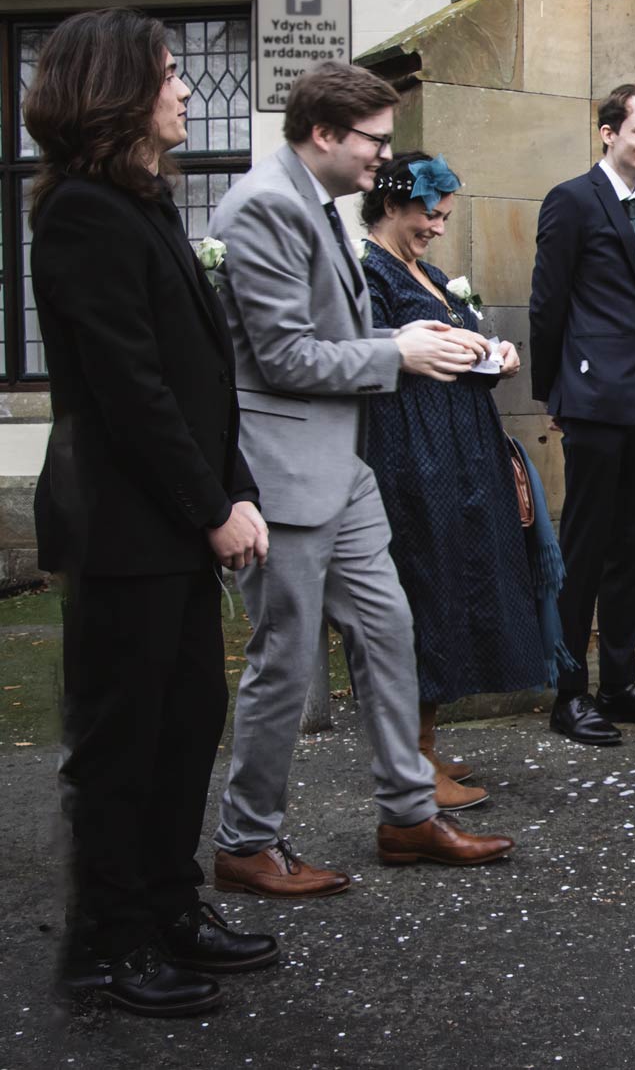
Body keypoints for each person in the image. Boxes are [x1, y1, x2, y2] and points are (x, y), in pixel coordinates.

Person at [209, 61, 516, 895]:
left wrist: (417, 341)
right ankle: (247, 840)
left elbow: (327, 335)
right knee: (284, 659)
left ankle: (409, 814)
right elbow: (282, 357)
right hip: (283, 472)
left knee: (389, 630)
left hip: (340, 468)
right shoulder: (265, 207)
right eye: (376, 141)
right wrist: (397, 353)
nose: (385, 157)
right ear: (324, 133)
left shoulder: (314, 201)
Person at [29, 9, 276, 1016]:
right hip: (124, 525)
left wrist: (237, 484)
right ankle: (110, 944)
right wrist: (211, 506)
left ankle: (171, 906)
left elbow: (199, 377)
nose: (183, 89)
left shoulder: (144, 203)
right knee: (123, 742)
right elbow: (129, 390)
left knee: (185, 723)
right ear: (119, 90)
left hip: (172, 521)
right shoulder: (82, 214)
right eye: (170, 73)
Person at [361, 152, 552, 810]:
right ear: (392, 204)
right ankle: (410, 760)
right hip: (411, 455)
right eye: (431, 216)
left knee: (452, 588)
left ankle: (426, 744)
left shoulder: (432, 274)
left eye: (445, 217)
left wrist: (495, 353)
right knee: (423, 592)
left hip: (461, 449)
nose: (439, 229)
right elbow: (368, 358)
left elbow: (456, 347)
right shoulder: (368, 272)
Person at [529, 83, 635, 746]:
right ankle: (569, 693)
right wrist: (553, 394)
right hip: (591, 401)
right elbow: (547, 304)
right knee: (585, 549)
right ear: (608, 132)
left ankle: (619, 684)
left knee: (631, 546)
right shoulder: (572, 200)